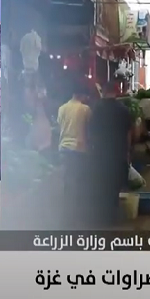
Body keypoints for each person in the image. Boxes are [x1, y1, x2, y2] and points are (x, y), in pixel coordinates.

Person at [87, 80, 134, 228]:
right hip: (118, 153)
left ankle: (101, 216)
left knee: (102, 184)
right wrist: (127, 152)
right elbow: (129, 133)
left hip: (100, 153)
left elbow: (91, 132)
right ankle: (112, 217)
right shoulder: (123, 109)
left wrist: (92, 148)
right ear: (116, 91)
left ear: (104, 91)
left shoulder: (96, 108)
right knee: (115, 186)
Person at [58, 82, 92, 223]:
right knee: (79, 182)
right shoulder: (85, 109)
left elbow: (60, 125)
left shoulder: (62, 108)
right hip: (79, 149)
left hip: (64, 148)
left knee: (67, 182)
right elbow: (89, 129)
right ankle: (76, 215)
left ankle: (66, 214)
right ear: (82, 95)